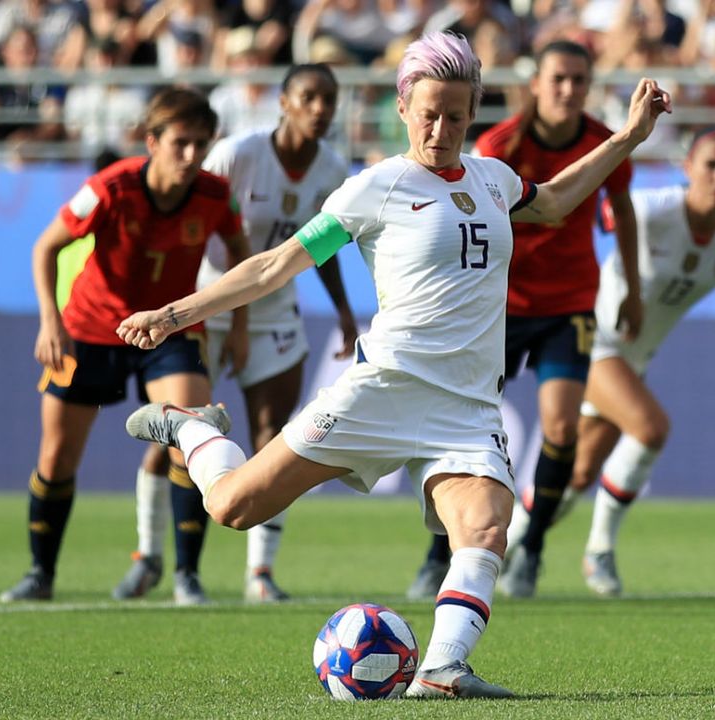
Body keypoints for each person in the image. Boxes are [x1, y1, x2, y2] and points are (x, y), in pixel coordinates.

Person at [117, 31, 669, 697]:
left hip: (465, 408)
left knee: (489, 525)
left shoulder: (494, 180)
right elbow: (271, 266)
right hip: (381, 390)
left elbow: (552, 200)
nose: (441, 129)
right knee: (234, 507)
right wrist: (173, 314)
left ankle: (440, 671)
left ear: (473, 115)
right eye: (429, 113)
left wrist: (628, 138)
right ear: (404, 108)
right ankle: (194, 428)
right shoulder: (373, 189)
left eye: (457, 116)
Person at [111, 63, 359, 605]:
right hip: (205, 307)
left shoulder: (334, 169)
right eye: (309, 96)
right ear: (285, 104)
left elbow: (324, 248)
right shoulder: (237, 154)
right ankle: (151, 555)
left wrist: (342, 310)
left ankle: (261, 574)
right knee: (178, 433)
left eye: (329, 99)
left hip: (274, 311)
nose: (320, 108)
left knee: (276, 440)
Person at [405, 39, 643, 601]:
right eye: (558, 78)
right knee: (467, 428)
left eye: (579, 81)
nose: (568, 90)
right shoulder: (499, 144)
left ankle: (532, 547)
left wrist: (630, 286)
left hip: (570, 304)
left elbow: (623, 212)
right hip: (502, 308)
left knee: (561, 429)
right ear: (535, 82)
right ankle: (440, 551)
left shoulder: (598, 143)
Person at [0, 87, 252, 606]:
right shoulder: (111, 187)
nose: (191, 155)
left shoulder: (213, 194)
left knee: (194, 429)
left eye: (201, 144)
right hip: (91, 329)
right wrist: (50, 321)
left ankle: (187, 577)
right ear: (151, 140)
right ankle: (39, 574)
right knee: (57, 457)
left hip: (169, 330)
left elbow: (242, 253)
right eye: (181, 142)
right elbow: (46, 245)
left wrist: (241, 325)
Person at [574, 125, 715, 597]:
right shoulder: (651, 209)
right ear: (688, 168)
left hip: (634, 359)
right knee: (651, 428)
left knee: (577, 475)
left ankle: (516, 547)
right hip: (593, 340)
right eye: (711, 164)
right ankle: (599, 552)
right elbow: (584, 216)